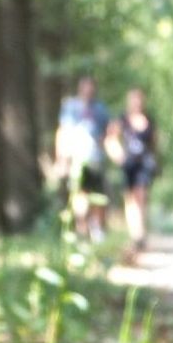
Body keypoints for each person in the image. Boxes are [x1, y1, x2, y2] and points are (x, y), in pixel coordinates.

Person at [55, 76, 110, 241]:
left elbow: (107, 134)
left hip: (95, 159)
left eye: (91, 87)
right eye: (85, 87)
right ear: (80, 88)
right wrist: (61, 159)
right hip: (76, 159)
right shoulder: (70, 107)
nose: (88, 91)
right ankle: (82, 229)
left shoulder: (100, 109)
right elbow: (63, 132)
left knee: (98, 196)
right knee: (79, 194)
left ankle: (97, 230)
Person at [107, 88, 157, 250]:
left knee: (141, 196)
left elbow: (155, 143)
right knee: (130, 199)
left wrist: (154, 160)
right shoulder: (122, 119)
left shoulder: (149, 120)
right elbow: (111, 138)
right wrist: (118, 156)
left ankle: (140, 233)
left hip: (143, 164)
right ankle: (134, 234)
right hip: (128, 165)